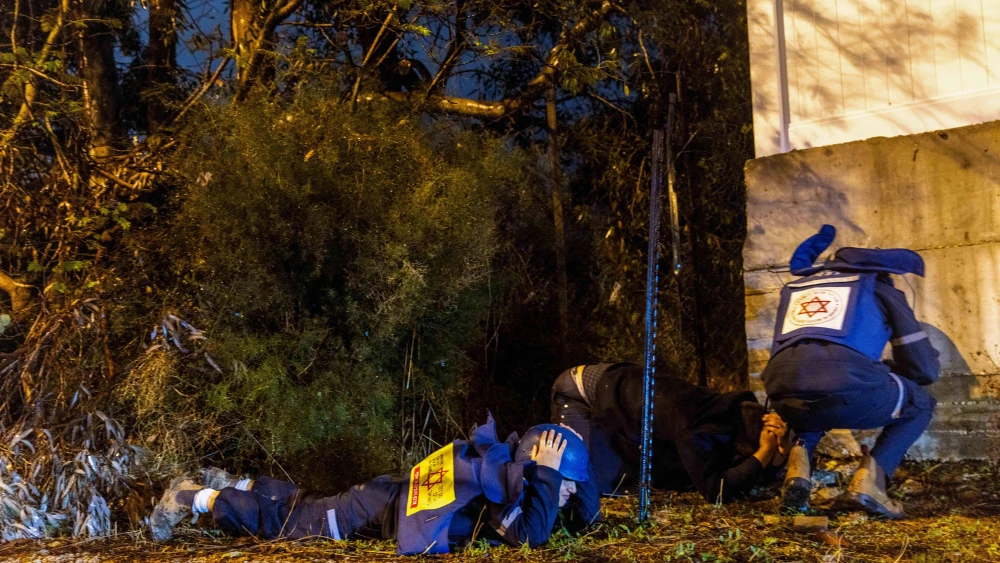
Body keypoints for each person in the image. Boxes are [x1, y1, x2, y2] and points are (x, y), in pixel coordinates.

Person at [148, 415, 599, 555]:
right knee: (286, 524)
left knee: (304, 503)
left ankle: (235, 482)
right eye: (562, 481)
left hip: (381, 497)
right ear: (537, 470)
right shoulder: (498, 488)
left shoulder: (498, 467)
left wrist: (557, 476)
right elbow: (534, 536)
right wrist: (546, 473)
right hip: (370, 510)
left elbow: (574, 517)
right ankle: (192, 497)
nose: (567, 492)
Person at [762, 225, 939, 519]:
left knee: (808, 396)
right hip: (847, 389)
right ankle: (872, 482)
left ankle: (797, 473)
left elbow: (804, 361)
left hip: (782, 396)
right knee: (920, 403)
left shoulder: (800, 288)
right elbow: (923, 367)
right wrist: (891, 372)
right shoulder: (878, 286)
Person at [550, 362, 790, 504]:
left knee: (622, 482)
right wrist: (765, 451)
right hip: (580, 391)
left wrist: (776, 453)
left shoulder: (727, 415)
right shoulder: (696, 430)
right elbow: (715, 491)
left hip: (620, 388)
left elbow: (739, 472)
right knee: (585, 485)